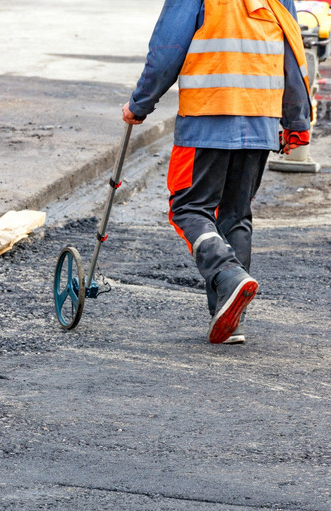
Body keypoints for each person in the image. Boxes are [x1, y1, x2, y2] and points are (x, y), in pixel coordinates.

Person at [122, 0, 311, 344]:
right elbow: (292, 50)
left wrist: (140, 103)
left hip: (209, 115)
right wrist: (296, 119)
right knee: (235, 215)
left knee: (188, 208)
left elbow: (167, 49)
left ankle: (226, 273)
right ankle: (229, 319)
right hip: (261, 118)